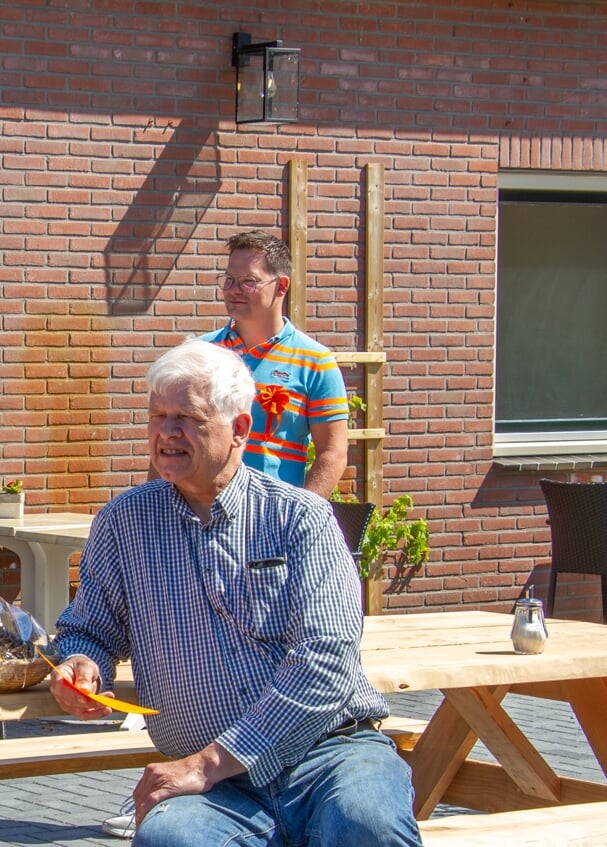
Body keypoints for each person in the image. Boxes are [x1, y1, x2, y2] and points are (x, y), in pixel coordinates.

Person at [54, 339, 421, 847]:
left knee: (365, 824)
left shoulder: (300, 518)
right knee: (170, 841)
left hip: (328, 755)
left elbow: (327, 660)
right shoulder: (124, 523)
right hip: (217, 791)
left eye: (187, 417)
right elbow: (90, 628)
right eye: (157, 416)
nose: (166, 432)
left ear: (240, 430)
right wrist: (81, 664)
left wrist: (210, 763)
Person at [200, 230, 348, 498]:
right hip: (199, 517)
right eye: (229, 280)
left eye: (248, 281)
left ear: (281, 287)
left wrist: (302, 516)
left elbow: (332, 453)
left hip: (272, 524)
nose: (233, 290)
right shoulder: (199, 353)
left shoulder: (316, 362)